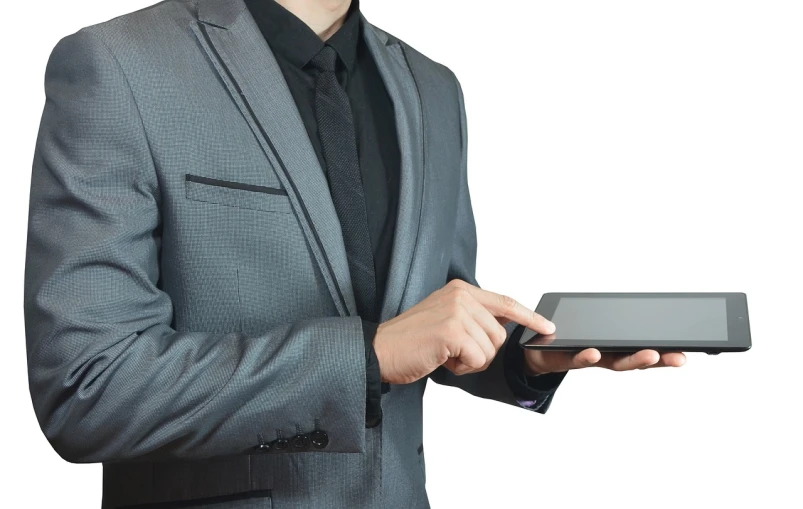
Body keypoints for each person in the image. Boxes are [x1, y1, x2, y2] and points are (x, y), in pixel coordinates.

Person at [23, 1, 686, 507]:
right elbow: (87, 388)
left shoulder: (432, 87)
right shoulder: (117, 65)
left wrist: (526, 355)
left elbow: (431, 316)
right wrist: (365, 355)